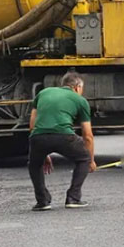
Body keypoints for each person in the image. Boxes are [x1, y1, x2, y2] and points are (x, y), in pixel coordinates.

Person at [27, 71, 96, 211]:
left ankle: (42, 201)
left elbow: (32, 126)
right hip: (64, 136)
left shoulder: (43, 93)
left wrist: (44, 154)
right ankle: (73, 198)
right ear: (77, 87)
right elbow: (87, 135)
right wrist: (91, 160)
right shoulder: (80, 100)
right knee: (83, 159)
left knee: (34, 164)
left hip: (38, 137)